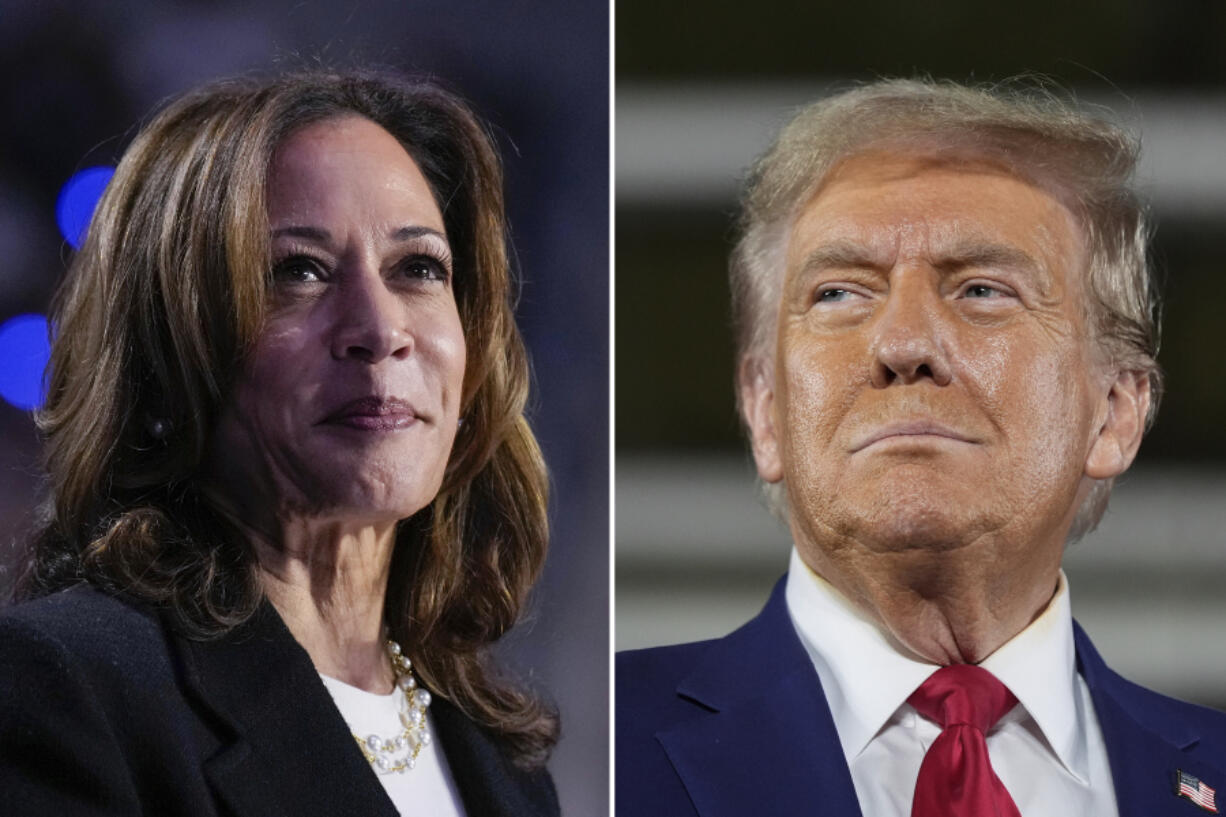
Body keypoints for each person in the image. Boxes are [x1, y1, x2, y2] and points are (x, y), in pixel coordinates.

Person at [617, 78, 1226, 816]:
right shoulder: (597, 748)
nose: (903, 343)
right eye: (840, 293)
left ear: (1114, 413)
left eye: (980, 290)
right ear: (765, 408)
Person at [0, 70, 559, 817]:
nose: (381, 328)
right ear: (167, 357)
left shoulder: (507, 763)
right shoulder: (65, 689)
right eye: (299, 271)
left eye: (418, 268)